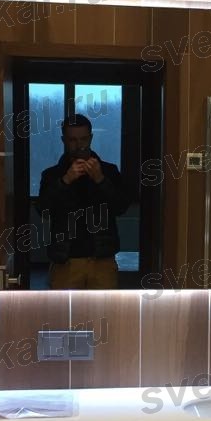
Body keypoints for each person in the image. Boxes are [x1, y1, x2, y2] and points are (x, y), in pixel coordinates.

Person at [37, 114, 133, 289]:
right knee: (64, 308)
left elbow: (121, 207)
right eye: (72, 140)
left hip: (102, 260)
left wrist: (101, 180)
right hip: (66, 261)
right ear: (63, 140)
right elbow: (43, 210)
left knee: (104, 307)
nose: (79, 145)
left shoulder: (109, 171)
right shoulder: (52, 175)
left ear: (91, 138)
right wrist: (65, 181)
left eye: (83, 139)